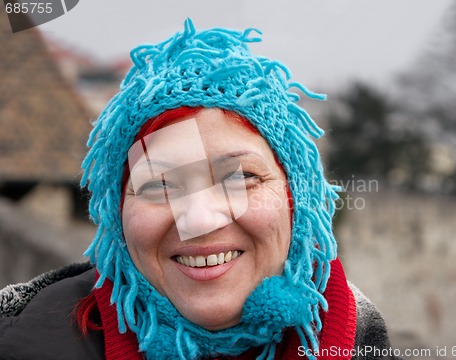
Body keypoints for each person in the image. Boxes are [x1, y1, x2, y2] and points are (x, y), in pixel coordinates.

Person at [0, 19, 400, 360]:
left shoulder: (364, 340)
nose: (200, 220)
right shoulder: (26, 344)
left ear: (297, 199)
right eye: (158, 184)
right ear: (116, 213)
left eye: (242, 177)